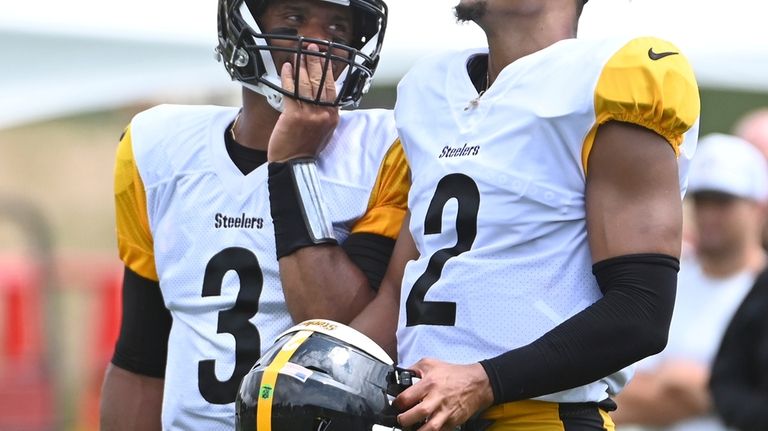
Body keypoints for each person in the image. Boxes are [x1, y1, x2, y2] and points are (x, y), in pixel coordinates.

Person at [349, 0, 701, 429]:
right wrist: (317, 363)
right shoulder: (429, 90)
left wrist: (484, 381)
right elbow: (396, 295)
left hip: (539, 416)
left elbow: (640, 310)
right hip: (424, 414)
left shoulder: (609, 77)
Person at [98, 0, 409, 429]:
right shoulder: (156, 148)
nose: (316, 47)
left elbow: (341, 346)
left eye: (337, 30)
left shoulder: (386, 150)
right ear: (241, 27)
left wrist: (294, 165)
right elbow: (140, 358)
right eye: (294, 19)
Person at [611, 134, 768, 431]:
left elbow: (730, 392)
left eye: (723, 202)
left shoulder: (760, 290)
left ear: (758, 208)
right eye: (702, 199)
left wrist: (694, 388)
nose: (708, 214)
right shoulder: (669, 278)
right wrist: (679, 387)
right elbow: (616, 382)